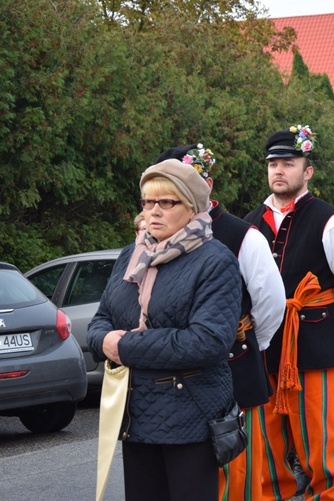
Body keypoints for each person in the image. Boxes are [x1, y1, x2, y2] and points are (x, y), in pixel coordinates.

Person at [88, 159, 242, 500]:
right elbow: (101, 319)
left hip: (190, 415)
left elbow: (209, 341)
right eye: (147, 202)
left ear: (192, 207)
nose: (153, 212)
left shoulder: (215, 260)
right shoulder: (132, 254)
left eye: (166, 202)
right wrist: (104, 340)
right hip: (135, 415)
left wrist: (124, 346)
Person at [155, 144, 286, 501]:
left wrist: (246, 343)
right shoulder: (149, 240)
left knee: (237, 472)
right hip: (171, 379)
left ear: (207, 184)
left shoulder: (244, 235)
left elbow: (271, 304)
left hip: (233, 367)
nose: (164, 202)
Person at [244, 125, 334, 500]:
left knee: (321, 448)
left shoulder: (331, 220)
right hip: (262, 349)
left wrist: (318, 322)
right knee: (263, 448)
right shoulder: (249, 223)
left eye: (289, 163)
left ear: (307, 171)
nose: (279, 171)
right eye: (273, 164)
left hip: (313, 343)